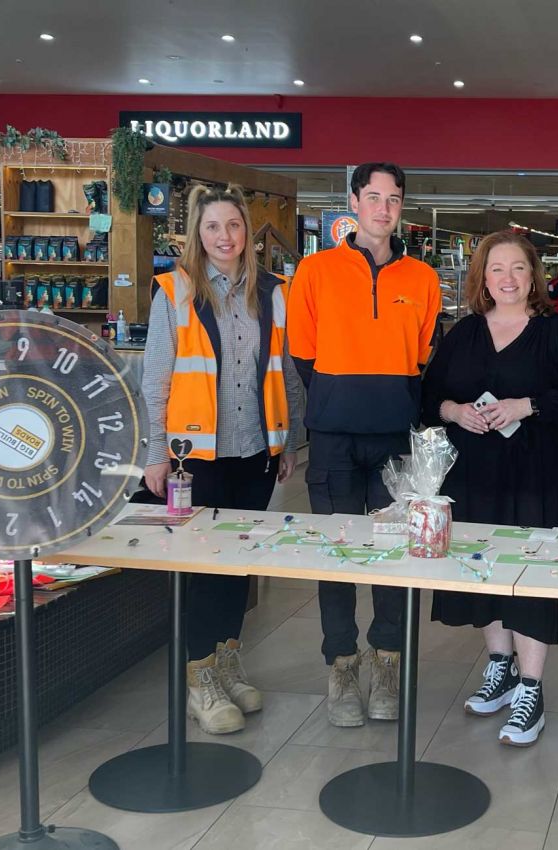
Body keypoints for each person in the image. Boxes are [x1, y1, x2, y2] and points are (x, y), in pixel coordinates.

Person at [142, 183, 305, 734]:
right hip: (194, 457)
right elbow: (156, 378)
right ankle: (199, 676)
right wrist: (153, 452)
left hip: (254, 452)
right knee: (198, 567)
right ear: (198, 233)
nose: (225, 237)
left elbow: (284, 373)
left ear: (247, 232)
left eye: (233, 226)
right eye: (212, 227)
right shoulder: (176, 291)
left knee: (238, 565)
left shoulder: (273, 292)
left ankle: (228, 660)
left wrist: (285, 442)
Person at [288, 162, 442, 727]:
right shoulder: (315, 270)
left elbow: (425, 357)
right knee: (337, 555)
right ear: (353, 202)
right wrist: (339, 398)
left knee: (393, 555)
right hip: (331, 440)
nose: (383, 208)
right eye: (373, 197)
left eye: (394, 199)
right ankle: (342, 665)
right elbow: (302, 354)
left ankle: (387, 662)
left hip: (393, 442)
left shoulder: (422, 279)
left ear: (402, 206)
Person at [423, 230, 558, 747]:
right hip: (472, 471)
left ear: (533, 275)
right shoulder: (464, 333)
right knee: (484, 568)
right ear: (482, 277)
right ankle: (502, 666)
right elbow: (430, 397)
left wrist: (525, 406)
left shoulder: (556, 334)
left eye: (518, 268)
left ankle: (532, 689)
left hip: (535, 470)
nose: (508, 278)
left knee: (530, 572)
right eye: (497, 268)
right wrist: (455, 412)